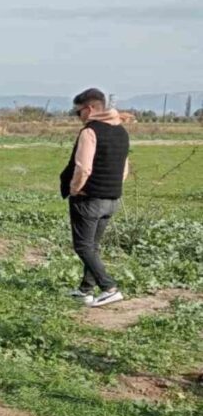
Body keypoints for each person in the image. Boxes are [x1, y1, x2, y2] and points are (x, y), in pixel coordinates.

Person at [59, 88, 130, 307]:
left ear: (89, 109)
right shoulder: (121, 131)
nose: (77, 117)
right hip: (112, 198)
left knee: (83, 247)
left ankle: (109, 287)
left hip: (89, 199)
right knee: (93, 246)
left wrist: (74, 188)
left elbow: (83, 167)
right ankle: (85, 290)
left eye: (78, 111)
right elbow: (124, 167)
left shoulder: (90, 132)